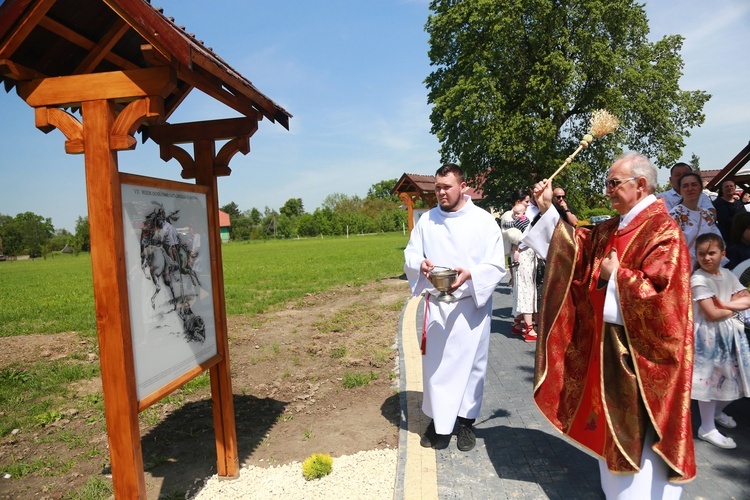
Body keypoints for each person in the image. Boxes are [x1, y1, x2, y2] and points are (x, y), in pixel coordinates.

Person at [524, 152, 696, 498]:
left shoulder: (664, 231)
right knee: (613, 439)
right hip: (609, 351)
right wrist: (546, 209)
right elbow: (578, 250)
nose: (607, 192)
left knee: (642, 445)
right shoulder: (615, 226)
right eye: (608, 184)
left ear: (641, 185)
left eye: (613, 184)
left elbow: (666, 301)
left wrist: (617, 277)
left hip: (641, 361)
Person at [404, 163, 506, 452]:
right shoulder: (427, 221)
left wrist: (471, 273)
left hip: (470, 306)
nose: (440, 193)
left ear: (464, 187)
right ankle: (438, 423)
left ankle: (465, 424)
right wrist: (418, 264)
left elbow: (497, 263)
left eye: (446, 187)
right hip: (437, 306)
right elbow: (411, 252)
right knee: (436, 368)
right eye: (437, 187)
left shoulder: (483, 221)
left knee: (472, 367)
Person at [691, 233, 750, 449]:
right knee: (710, 381)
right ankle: (706, 427)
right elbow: (711, 315)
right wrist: (733, 308)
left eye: (712, 253)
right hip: (708, 336)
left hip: (729, 334)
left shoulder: (726, 274)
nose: (707, 258)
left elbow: (747, 299)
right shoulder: (698, 279)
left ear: (722, 254)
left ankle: (716, 413)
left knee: (735, 376)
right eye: (702, 254)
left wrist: (724, 304)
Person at [669, 171, 723, 265]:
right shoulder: (675, 214)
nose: (690, 188)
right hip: (685, 266)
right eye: (685, 186)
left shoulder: (706, 214)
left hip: (708, 264)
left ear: (701, 188)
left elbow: (717, 239)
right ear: (680, 190)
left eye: (694, 184)